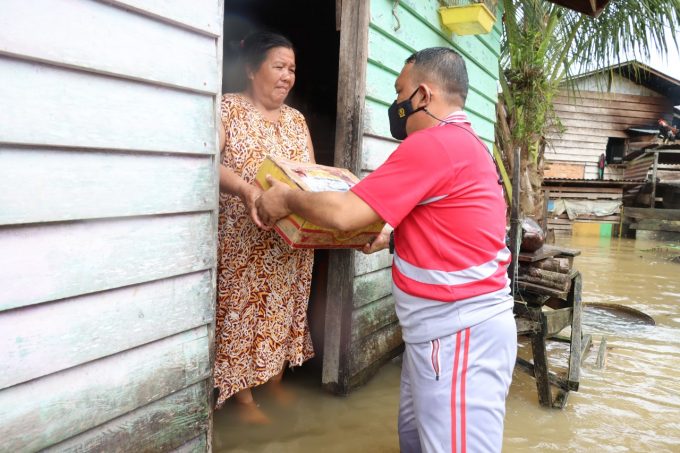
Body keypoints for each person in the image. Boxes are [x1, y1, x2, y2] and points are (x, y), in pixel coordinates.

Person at [257, 47, 517, 452]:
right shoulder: (466, 144)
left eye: (400, 93)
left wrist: (287, 200)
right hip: (436, 333)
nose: (396, 104)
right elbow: (450, 226)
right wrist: (393, 237)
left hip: (458, 333)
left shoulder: (433, 145)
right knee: (415, 441)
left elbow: (344, 213)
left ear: (424, 96)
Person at [215, 31, 316, 423]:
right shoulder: (228, 109)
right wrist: (244, 189)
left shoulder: (296, 120)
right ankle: (242, 400)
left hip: (288, 243)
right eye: (278, 66)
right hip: (243, 238)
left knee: (283, 310)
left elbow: (310, 173)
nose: (287, 76)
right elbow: (209, 159)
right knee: (241, 313)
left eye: (291, 69)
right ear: (252, 68)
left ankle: (273, 383)